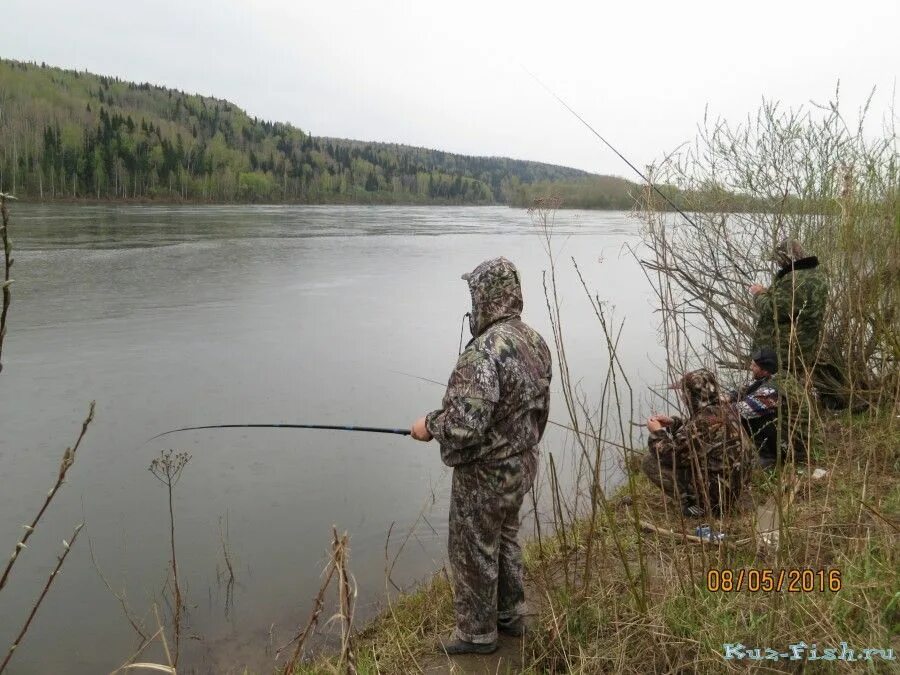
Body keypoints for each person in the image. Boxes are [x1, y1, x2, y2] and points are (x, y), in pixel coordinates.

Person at [409, 257, 552, 656]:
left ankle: (476, 635)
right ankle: (510, 614)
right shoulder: (534, 341)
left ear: (486, 296)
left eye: (475, 293)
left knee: (473, 547)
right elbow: (540, 410)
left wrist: (428, 424)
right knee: (506, 537)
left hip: (486, 474)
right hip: (523, 463)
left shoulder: (484, 352)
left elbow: (464, 426)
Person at [643, 369, 751, 517]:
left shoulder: (704, 421)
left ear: (691, 396)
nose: (682, 396)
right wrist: (673, 423)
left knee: (649, 462)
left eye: (684, 392)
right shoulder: (724, 409)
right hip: (736, 485)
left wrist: (656, 432)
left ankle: (701, 506)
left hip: (719, 496)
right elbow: (698, 434)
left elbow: (671, 455)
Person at [749, 238, 828, 378]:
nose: (778, 264)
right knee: (793, 389)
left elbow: (774, 311)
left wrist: (758, 294)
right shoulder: (816, 274)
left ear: (787, 257)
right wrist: (770, 293)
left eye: (779, 260)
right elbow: (791, 305)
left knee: (777, 393)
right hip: (802, 351)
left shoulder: (794, 279)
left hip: (784, 354)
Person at [725, 349, 780, 468]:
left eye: (754, 365)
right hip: (785, 434)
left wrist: (711, 408)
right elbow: (748, 388)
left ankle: (769, 457)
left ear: (765, 370)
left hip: (791, 445)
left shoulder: (771, 390)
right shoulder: (770, 378)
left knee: (744, 415)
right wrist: (729, 396)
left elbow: (739, 410)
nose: (750, 367)